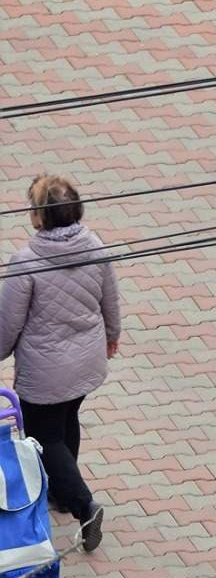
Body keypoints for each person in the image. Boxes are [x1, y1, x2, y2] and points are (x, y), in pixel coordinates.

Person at [0, 175, 118, 552]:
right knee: (67, 421)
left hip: (45, 371)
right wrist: (111, 336)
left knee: (44, 437)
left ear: (39, 217)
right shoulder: (95, 246)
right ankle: (63, 497)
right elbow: (110, 299)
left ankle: (84, 505)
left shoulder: (26, 262)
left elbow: (7, 323)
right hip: (86, 362)